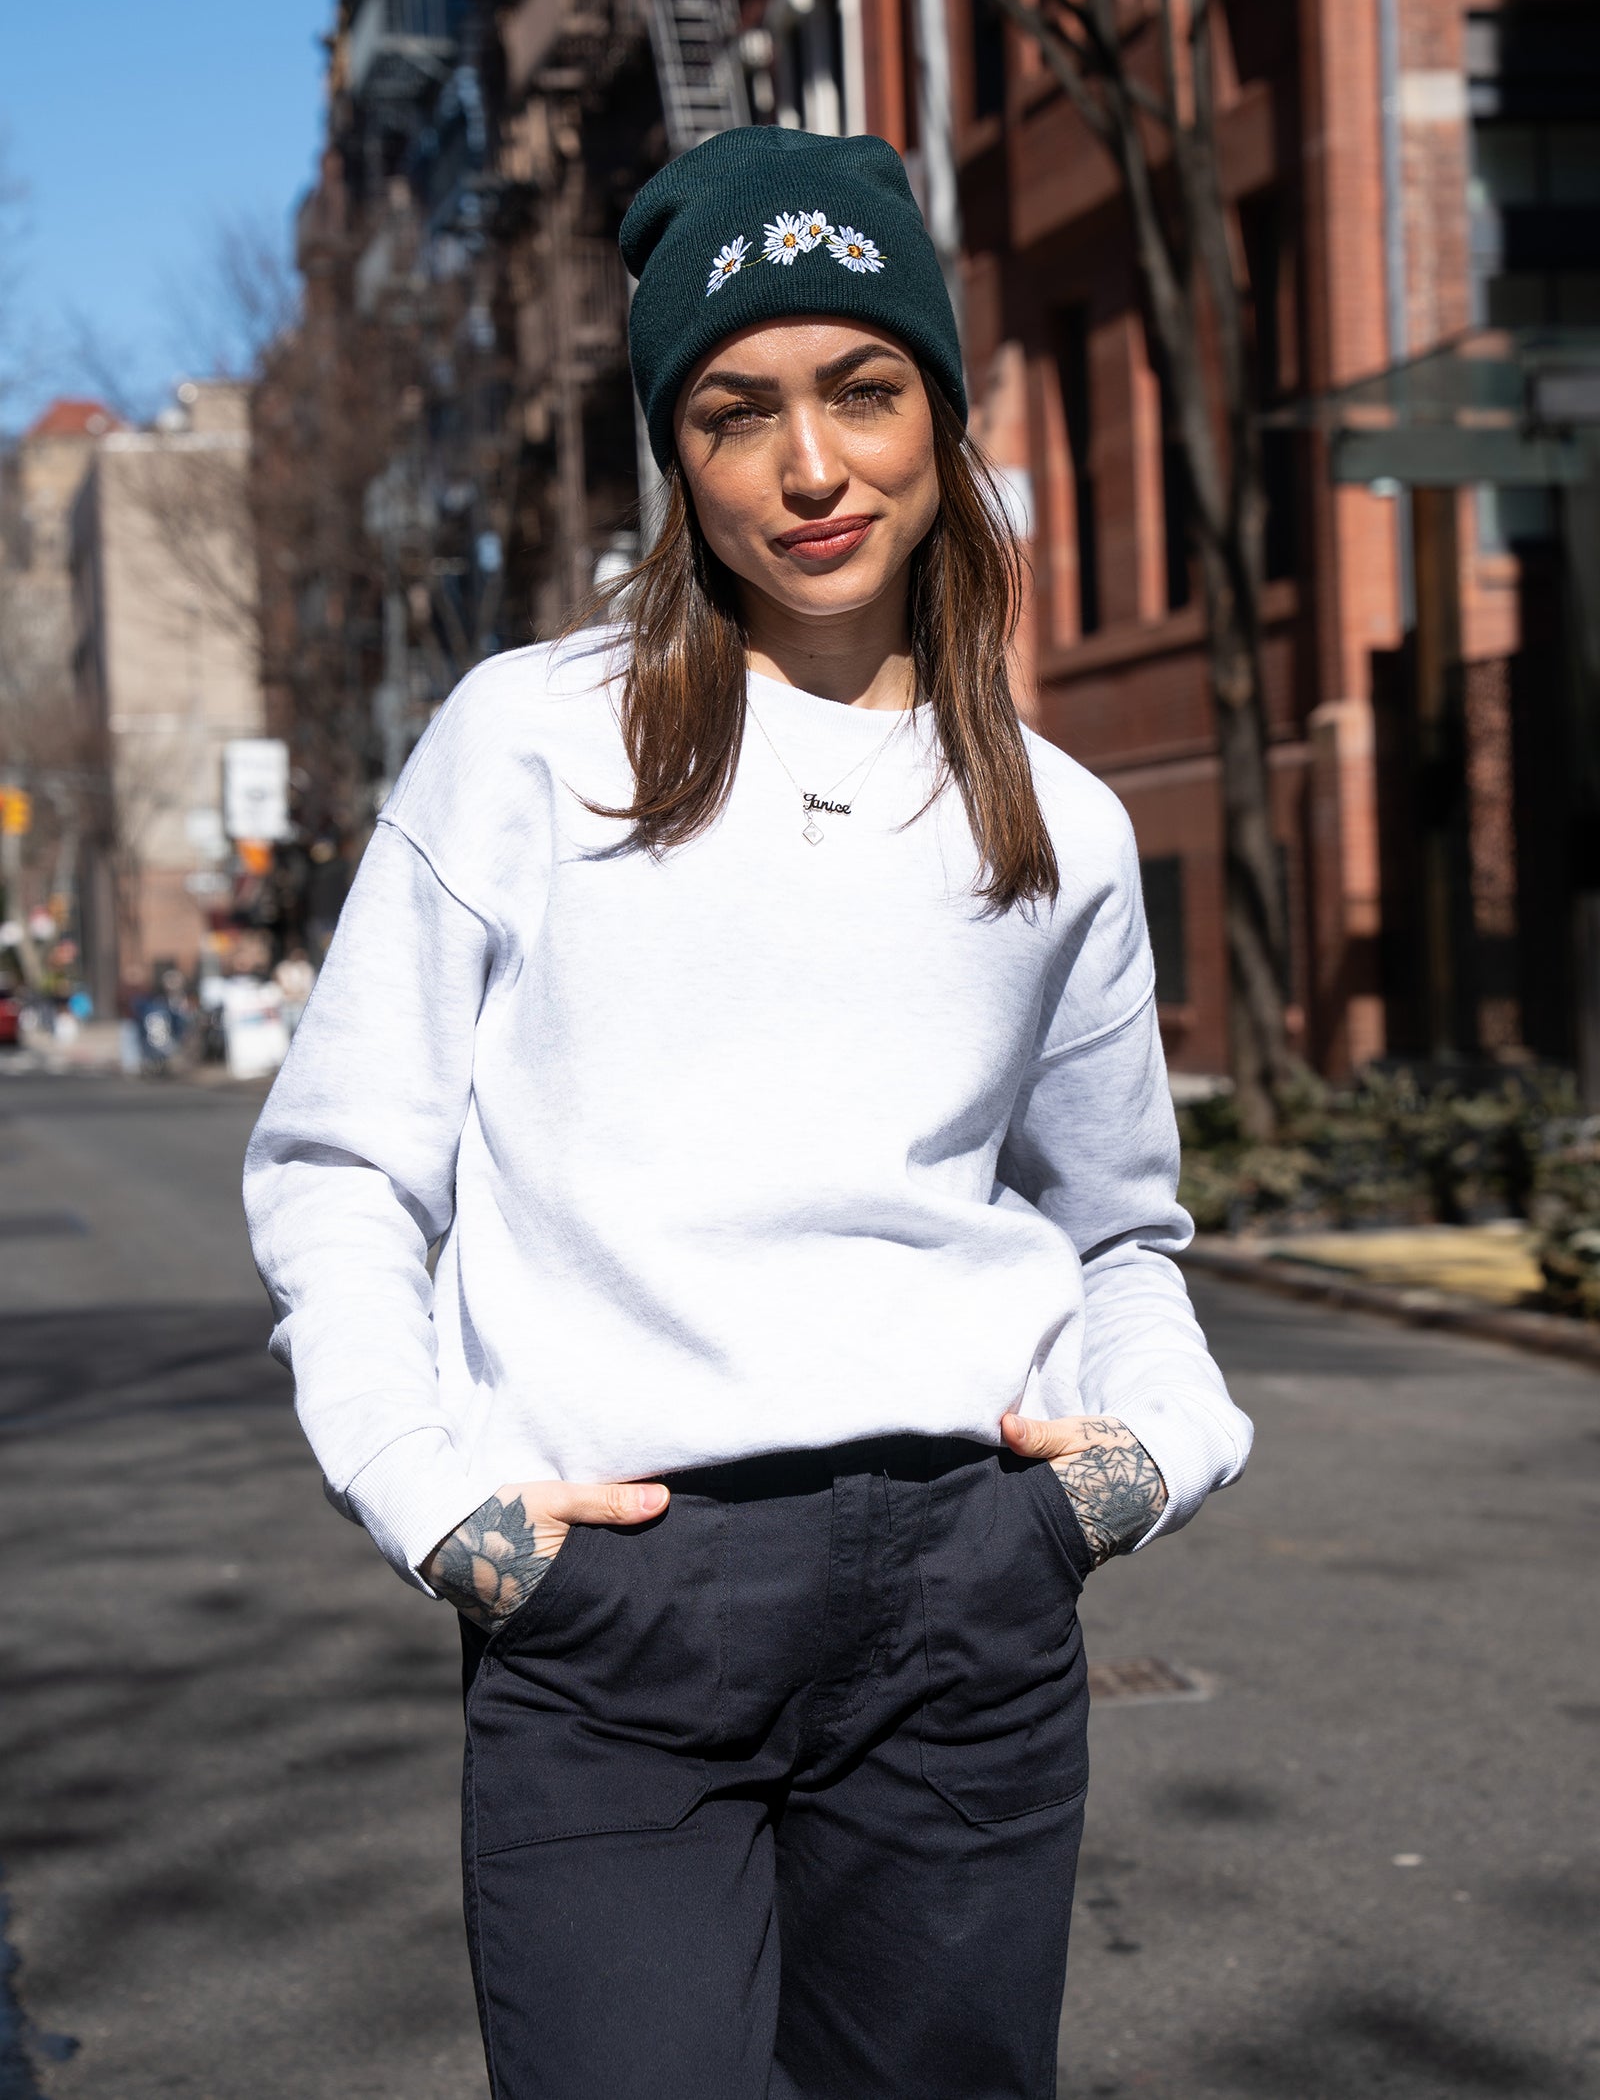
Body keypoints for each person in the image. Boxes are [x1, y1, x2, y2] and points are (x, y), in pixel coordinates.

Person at [243, 127, 1252, 2100]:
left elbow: (1118, 1222)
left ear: (938, 416)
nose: (811, 467)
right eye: (736, 411)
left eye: (862, 391)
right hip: (622, 1607)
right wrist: (433, 1504)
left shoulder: (1060, 822)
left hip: (968, 1593)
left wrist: (1148, 1460)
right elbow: (343, 1160)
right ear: (677, 456)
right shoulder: (533, 742)